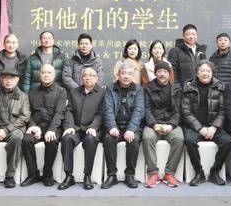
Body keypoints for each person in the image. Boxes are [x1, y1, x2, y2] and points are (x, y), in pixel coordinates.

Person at [181, 60, 231, 186]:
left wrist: (214, 127)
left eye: (208, 71)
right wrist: (199, 128)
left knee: (227, 141)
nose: (205, 73)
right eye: (202, 71)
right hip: (195, 127)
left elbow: (223, 111)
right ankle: (199, 173)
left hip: (214, 126)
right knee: (189, 140)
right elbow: (186, 112)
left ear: (212, 73)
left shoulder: (220, 86)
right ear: (197, 73)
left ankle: (215, 172)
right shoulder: (188, 87)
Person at [20, 64, 68, 187]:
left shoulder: (61, 91)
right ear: (39, 74)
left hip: (53, 126)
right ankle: (33, 174)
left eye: (49, 73)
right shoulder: (32, 92)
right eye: (43, 72)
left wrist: (52, 129)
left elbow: (60, 113)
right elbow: (28, 112)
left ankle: (47, 174)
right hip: (36, 126)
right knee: (26, 140)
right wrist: (33, 126)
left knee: (51, 141)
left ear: (54, 75)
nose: (46, 75)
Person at [101, 61, 145, 189]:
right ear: (118, 74)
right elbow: (107, 109)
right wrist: (112, 126)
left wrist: (131, 129)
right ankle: (112, 175)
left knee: (134, 140)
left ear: (133, 76)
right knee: (108, 139)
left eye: (129, 74)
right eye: (123, 73)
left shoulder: (139, 90)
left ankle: (130, 175)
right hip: (115, 125)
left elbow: (138, 111)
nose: (126, 76)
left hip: (132, 126)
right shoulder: (110, 89)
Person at [60, 67, 105, 190]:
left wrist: (94, 127)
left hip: (92, 129)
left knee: (90, 139)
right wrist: (69, 126)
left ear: (96, 78)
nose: (88, 78)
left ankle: (87, 176)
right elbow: (68, 110)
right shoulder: (74, 92)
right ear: (81, 78)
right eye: (85, 75)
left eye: (91, 75)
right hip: (76, 128)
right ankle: (69, 176)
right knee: (66, 138)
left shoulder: (102, 93)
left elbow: (101, 113)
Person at [142, 62, 184, 188]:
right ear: (155, 74)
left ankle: (169, 173)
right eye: (159, 71)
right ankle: (153, 173)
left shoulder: (176, 89)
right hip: (153, 124)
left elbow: (178, 111)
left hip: (170, 124)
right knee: (147, 137)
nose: (162, 74)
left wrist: (171, 125)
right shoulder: (148, 88)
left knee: (179, 138)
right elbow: (147, 109)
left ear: (169, 74)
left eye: (165, 72)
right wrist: (154, 125)